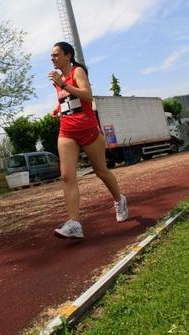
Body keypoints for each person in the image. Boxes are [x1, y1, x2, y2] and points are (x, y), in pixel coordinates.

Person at [48, 41, 128, 239]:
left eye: (56, 54)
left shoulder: (77, 72)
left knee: (101, 171)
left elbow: (87, 95)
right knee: (67, 176)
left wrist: (63, 84)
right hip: (66, 131)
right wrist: (58, 109)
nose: (52, 58)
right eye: (51, 55)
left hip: (88, 130)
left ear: (68, 56)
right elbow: (68, 99)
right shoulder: (58, 79)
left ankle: (119, 200)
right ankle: (74, 224)